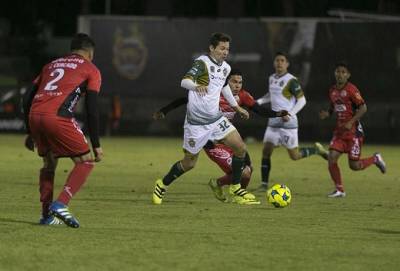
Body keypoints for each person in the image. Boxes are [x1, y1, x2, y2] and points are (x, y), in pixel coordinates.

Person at [152, 32, 259, 205]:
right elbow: (184, 82)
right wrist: (196, 86)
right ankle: (162, 185)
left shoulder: (226, 68)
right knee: (189, 163)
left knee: (240, 147)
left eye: (227, 49)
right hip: (196, 124)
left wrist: (237, 107)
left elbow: (224, 88)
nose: (225, 52)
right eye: (222, 48)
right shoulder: (202, 63)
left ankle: (236, 188)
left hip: (216, 119)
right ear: (212, 48)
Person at [153, 68, 287, 202]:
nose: (237, 85)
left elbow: (258, 110)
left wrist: (278, 114)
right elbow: (184, 99)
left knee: (247, 168)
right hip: (211, 141)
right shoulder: (213, 92)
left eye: (240, 82)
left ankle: (229, 190)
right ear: (225, 81)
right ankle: (163, 184)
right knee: (190, 164)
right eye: (234, 82)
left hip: (225, 135)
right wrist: (164, 111)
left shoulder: (243, 96)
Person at [23, 33, 103, 227]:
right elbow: (92, 109)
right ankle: (61, 204)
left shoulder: (50, 65)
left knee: (49, 163)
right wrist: (96, 145)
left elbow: (27, 97)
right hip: (57, 117)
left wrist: (30, 131)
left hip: (35, 115)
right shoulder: (91, 69)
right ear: (90, 53)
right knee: (85, 162)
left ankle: (46, 215)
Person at [256, 51, 328, 191]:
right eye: (277, 60)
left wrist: (290, 113)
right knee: (266, 151)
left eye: (282, 60)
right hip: (273, 121)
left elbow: (302, 100)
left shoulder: (291, 80)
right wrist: (257, 101)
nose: (279, 63)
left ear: (287, 64)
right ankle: (264, 185)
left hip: (288, 123)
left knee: (294, 156)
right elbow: (271, 94)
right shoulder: (271, 78)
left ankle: (316, 150)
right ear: (274, 63)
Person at [319, 62, 386, 198]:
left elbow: (363, 108)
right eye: (338, 71)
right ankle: (340, 190)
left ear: (348, 75)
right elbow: (333, 106)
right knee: (332, 158)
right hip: (339, 132)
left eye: (343, 72)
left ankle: (375, 159)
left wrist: (351, 122)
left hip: (354, 133)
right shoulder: (332, 90)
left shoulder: (351, 89)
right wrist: (327, 113)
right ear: (334, 73)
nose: (340, 74)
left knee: (354, 165)